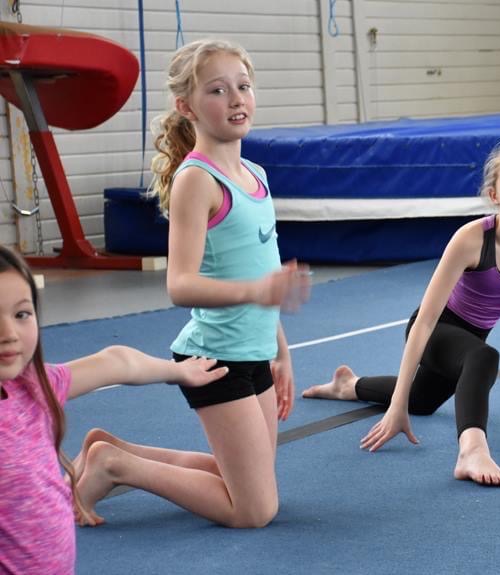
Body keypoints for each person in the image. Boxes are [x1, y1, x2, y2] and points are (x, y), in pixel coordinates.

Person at [73, 39, 309, 528]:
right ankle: (115, 466)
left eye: (243, 86)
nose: (237, 99)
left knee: (245, 480)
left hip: (254, 350)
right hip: (216, 358)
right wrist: (255, 293)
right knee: (254, 510)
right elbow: (180, 285)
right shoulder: (197, 180)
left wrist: (281, 351)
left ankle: (111, 450)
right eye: (218, 91)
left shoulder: (256, 175)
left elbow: (264, 271)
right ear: (187, 107)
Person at [303, 140, 500, 487]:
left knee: (423, 400)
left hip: (469, 340)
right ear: (493, 194)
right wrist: (396, 406)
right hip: (435, 330)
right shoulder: (471, 239)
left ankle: (349, 385)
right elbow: (425, 321)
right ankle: (472, 451)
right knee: (483, 358)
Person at [0, 245, 227, 575]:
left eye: (21, 314)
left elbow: (116, 362)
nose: (8, 334)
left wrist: (177, 371)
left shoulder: (33, 386)